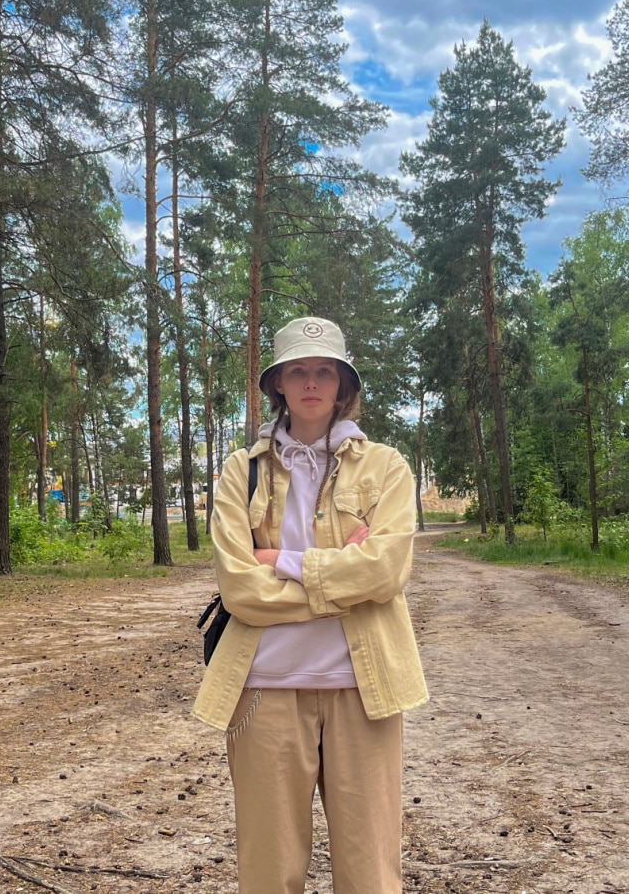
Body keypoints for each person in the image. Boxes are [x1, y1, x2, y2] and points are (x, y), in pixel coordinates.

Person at [193, 316, 428, 894]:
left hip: (364, 689)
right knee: (269, 872)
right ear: (278, 383)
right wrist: (342, 582)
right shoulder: (240, 471)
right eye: (298, 369)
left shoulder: (387, 467)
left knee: (370, 871)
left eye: (325, 370)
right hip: (264, 689)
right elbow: (239, 590)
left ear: (343, 382)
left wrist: (283, 560)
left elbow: (388, 569)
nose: (312, 381)